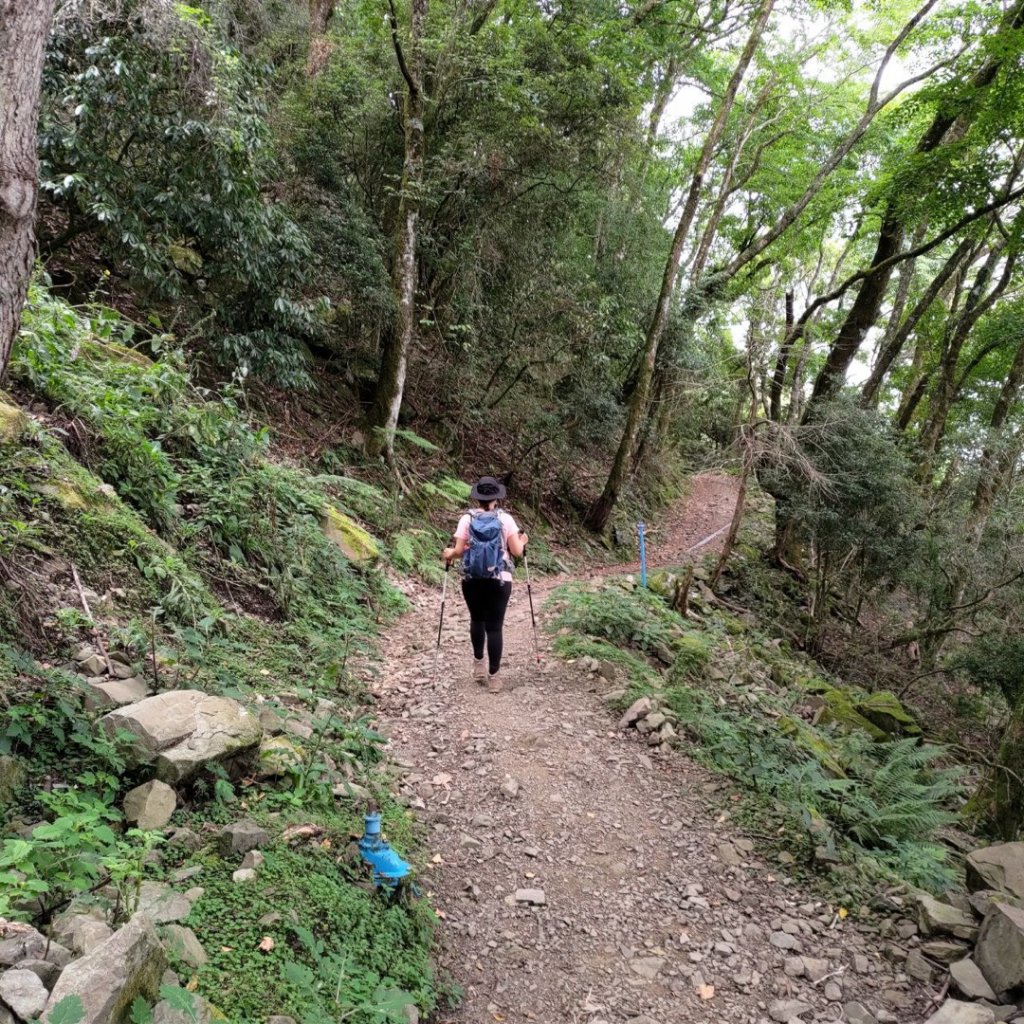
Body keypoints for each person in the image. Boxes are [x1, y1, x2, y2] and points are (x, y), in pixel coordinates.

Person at [442, 477, 528, 693]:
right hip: (499, 580)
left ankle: (478, 664)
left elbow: (459, 551)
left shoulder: (466, 519)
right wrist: (523, 541)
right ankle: (495, 678)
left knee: (477, 620)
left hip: (472, 579)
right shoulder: (506, 520)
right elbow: (517, 552)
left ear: (477, 498)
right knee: (495, 627)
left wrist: (449, 553)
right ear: (496, 499)